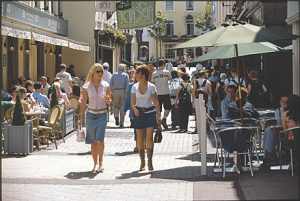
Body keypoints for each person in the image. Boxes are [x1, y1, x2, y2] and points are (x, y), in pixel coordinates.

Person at [79, 63, 112, 173]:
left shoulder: (106, 85)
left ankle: (101, 163)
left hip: (102, 114)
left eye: (102, 71)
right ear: (93, 73)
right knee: (93, 142)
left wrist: (108, 101)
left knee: (100, 140)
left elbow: (109, 100)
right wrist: (80, 117)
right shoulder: (86, 86)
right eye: (98, 71)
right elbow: (83, 102)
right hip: (91, 115)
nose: (100, 73)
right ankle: (95, 164)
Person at [131, 65, 161, 171]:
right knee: (139, 139)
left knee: (149, 138)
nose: (135, 75)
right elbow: (132, 103)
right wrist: (134, 109)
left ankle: (150, 161)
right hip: (139, 113)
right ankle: (142, 161)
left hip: (150, 113)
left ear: (143, 75)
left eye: (137, 73)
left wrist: (158, 116)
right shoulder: (134, 87)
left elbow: (156, 103)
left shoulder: (152, 86)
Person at [261, 95, 289, 171]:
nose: (285, 103)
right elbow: (278, 123)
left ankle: (268, 156)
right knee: (268, 130)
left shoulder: (291, 111)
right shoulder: (278, 111)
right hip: (280, 131)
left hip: (287, 133)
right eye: (283, 102)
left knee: (270, 131)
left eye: (286, 102)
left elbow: (284, 125)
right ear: (280, 102)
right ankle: (267, 155)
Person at [151, 59, 172, 130]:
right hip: (166, 92)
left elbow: (152, 82)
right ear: (163, 64)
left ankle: (158, 123)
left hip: (157, 93)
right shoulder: (167, 72)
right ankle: (164, 118)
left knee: (158, 109)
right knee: (168, 108)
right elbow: (170, 79)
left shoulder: (154, 73)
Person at [110, 63, 129, 128]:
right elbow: (127, 85)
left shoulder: (114, 75)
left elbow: (111, 84)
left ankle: (116, 116)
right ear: (123, 69)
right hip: (122, 91)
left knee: (115, 106)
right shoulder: (125, 75)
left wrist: (112, 92)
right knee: (122, 107)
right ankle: (121, 123)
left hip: (115, 91)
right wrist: (126, 93)